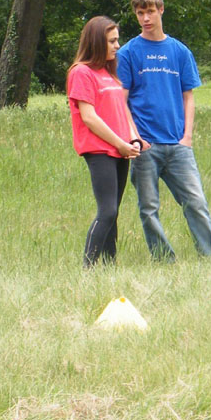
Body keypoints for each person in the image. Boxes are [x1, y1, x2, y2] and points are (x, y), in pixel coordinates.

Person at [116, 0, 211, 261]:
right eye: (140, 13)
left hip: (178, 145)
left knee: (196, 203)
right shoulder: (127, 53)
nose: (145, 18)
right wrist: (136, 137)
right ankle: (164, 260)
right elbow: (121, 101)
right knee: (149, 209)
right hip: (145, 146)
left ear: (161, 10)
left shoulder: (180, 52)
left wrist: (187, 138)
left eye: (150, 11)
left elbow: (189, 97)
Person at [67, 17, 144, 266]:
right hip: (99, 149)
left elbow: (121, 111)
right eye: (112, 41)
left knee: (114, 213)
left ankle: (110, 267)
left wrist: (132, 138)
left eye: (117, 40)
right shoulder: (81, 72)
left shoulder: (109, 74)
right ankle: (87, 267)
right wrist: (119, 143)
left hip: (121, 150)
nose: (117, 46)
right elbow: (89, 117)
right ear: (96, 42)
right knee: (107, 211)